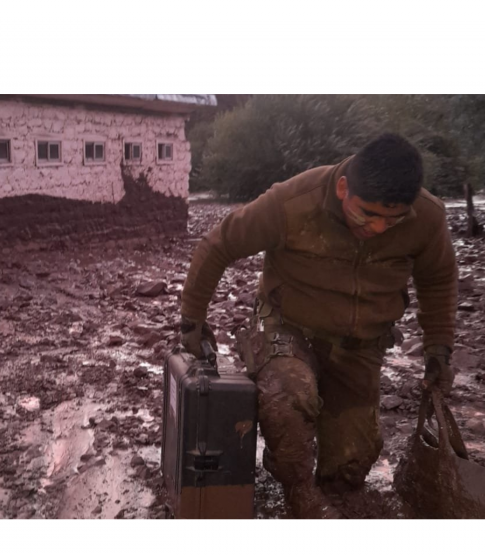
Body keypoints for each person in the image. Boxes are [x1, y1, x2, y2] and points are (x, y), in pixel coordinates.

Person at [179, 133, 458, 518]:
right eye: (366, 214)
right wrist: (191, 321)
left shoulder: (427, 218)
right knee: (289, 395)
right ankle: (296, 487)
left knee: (348, 469)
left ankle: (327, 478)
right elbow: (218, 244)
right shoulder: (292, 201)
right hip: (286, 326)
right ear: (343, 188)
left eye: (391, 220)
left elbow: (438, 281)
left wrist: (439, 348)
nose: (377, 228)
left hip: (360, 344)